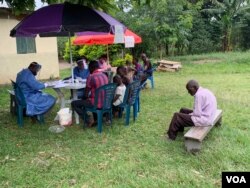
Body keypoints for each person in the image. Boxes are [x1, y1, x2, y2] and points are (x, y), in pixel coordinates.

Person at [71, 60, 108, 126]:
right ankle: (97, 118)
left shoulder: (91, 77)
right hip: (106, 102)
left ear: (91, 68)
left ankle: (89, 120)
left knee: (74, 103)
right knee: (92, 98)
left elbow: (86, 93)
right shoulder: (105, 75)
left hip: (96, 103)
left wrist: (84, 99)